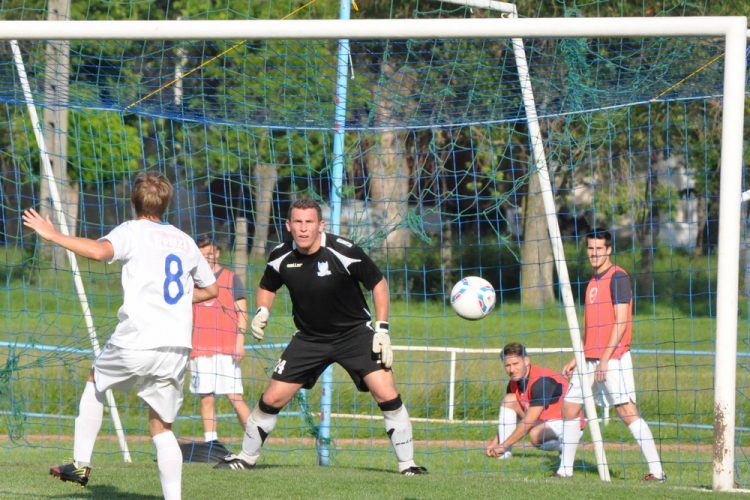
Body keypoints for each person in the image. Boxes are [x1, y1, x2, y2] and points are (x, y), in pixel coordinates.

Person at [24, 171, 218, 500]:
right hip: (177, 343)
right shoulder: (185, 241)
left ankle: (81, 465)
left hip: (140, 336)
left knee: (95, 380)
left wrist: (53, 235)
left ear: (133, 202)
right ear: (167, 204)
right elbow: (210, 289)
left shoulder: (133, 231)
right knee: (161, 426)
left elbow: (100, 252)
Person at [215, 198, 428, 475]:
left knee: (385, 391)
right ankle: (245, 458)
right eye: (298, 223)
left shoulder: (344, 250)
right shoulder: (280, 255)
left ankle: (407, 465)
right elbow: (267, 284)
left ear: (320, 225)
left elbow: (378, 283)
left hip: (354, 335)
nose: (304, 229)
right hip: (309, 338)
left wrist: (382, 329)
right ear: (288, 225)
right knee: (272, 398)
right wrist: (262, 310)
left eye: (310, 222)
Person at [553, 228, 666, 482]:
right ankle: (565, 469)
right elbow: (592, 325)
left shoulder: (618, 277)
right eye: (590, 249)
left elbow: (622, 322)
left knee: (626, 411)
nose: (594, 253)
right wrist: (578, 354)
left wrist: (604, 357)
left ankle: (657, 471)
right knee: (570, 406)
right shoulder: (593, 281)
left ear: (609, 250)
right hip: (589, 357)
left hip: (613, 358)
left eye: (599, 249)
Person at [189, 236, 251, 446]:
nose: (206, 258)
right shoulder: (191, 282)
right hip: (200, 349)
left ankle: (253, 439)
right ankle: (211, 443)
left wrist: (239, 341)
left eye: (209, 253)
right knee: (206, 398)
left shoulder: (231, 278)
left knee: (234, 397)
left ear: (217, 253)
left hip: (226, 349)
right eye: (202, 254)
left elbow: (243, 312)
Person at [485, 342, 581, 460]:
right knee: (509, 400)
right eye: (507, 365)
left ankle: (567, 445)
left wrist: (503, 444)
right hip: (543, 421)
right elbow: (511, 419)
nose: (512, 369)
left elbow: (529, 421)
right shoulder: (514, 382)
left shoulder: (541, 381)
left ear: (526, 361)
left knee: (535, 435)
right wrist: (496, 443)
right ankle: (504, 454)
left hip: (567, 423)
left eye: (515, 364)